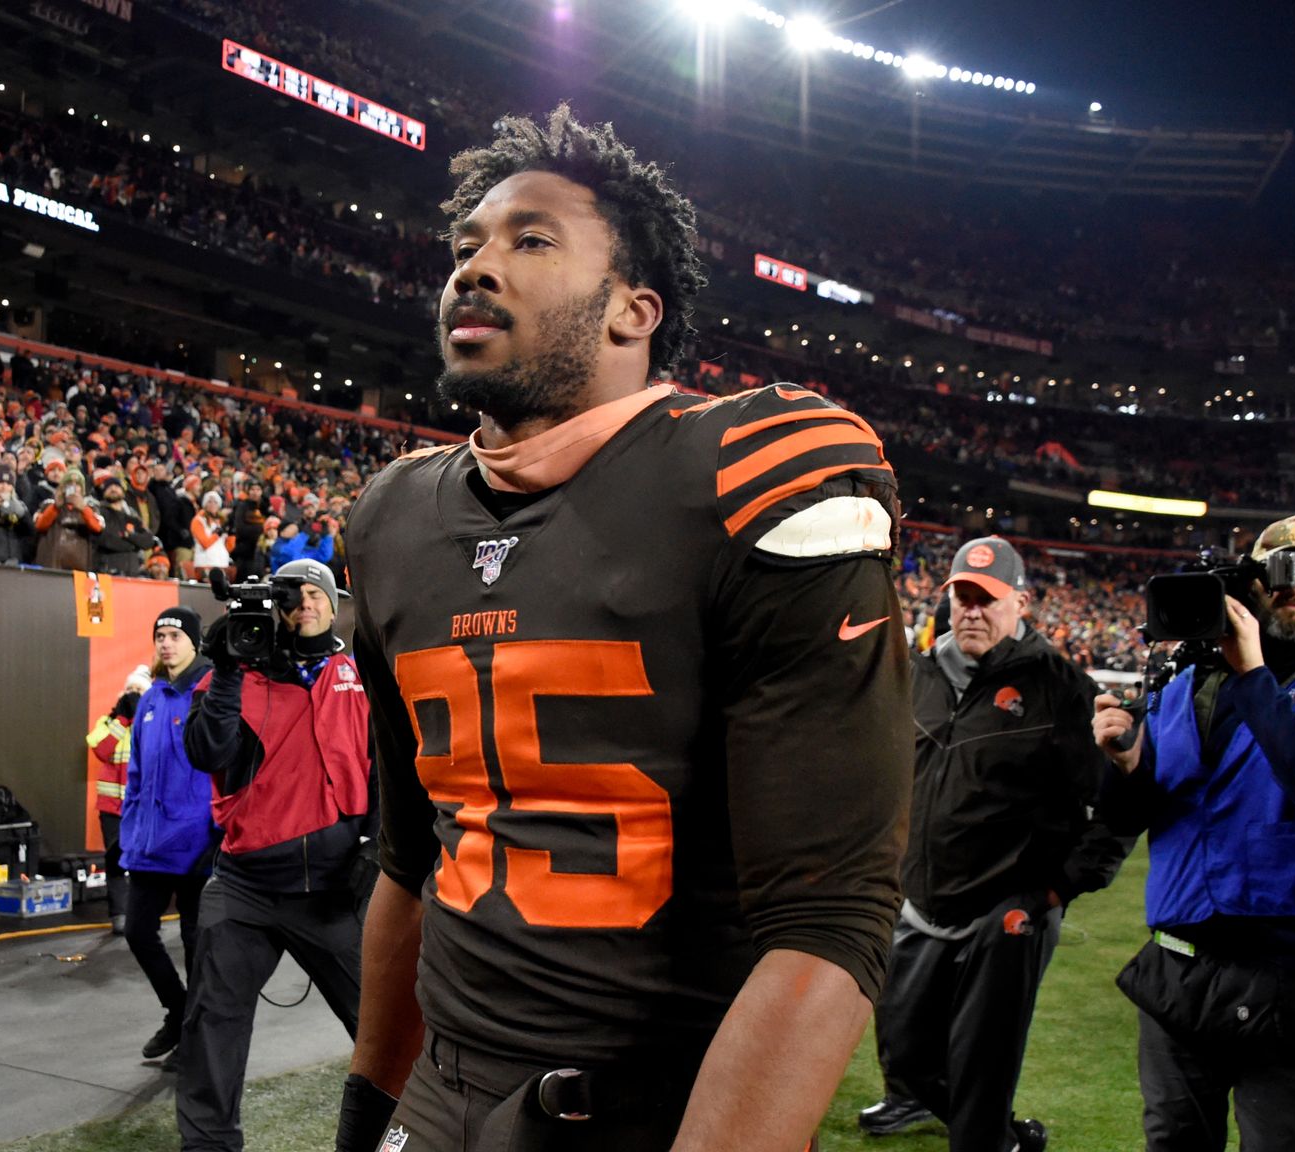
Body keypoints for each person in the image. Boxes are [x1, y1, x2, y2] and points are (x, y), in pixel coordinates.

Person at [337, 106, 909, 1152]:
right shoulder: (388, 517)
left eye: (530, 241)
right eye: (465, 246)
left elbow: (829, 922)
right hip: (439, 1099)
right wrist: (367, 1107)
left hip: (651, 1113)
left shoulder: (751, 469)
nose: (473, 267)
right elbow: (410, 861)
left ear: (631, 311)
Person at [1091, 514, 1295, 1152]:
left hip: (1291, 975)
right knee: (1172, 1139)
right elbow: (1131, 815)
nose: (1294, 586)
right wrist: (1122, 765)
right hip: (1177, 962)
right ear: (1249, 585)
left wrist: (1252, 674)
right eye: (1277, 571)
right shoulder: (1185, 684)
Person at [864, 538, 1119, 1152]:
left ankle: (986, 1137)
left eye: (989, 599)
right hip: (920, 901)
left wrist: (1060, 887)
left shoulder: (1063, 688)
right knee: (906, 1055)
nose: (973, 611)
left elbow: (1115, 802)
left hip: (1006, 910)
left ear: (1022, 602)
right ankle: (1004, 1140)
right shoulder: (917, 674)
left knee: (982, 1066)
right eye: (963, 597)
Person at [175, 559, 373, 1151]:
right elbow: (207, 752)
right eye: (294, 596)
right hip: (246, 887)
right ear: (276, 608)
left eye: (317, 594)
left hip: (336, 890)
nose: (306, 603)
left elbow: (389, 768)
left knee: (385, 1026)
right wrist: (229, 669)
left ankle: (406, 1135)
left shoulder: (357, 675)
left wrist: (379, 852)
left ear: (335, 605)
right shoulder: (231, 677)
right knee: (211, 1024)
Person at [116, 606, 219, 1067]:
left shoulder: (211, 692)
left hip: (199, 843)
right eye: (160, 634)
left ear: (194, 642)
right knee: (138, 932)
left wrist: (219, 833)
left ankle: (195, 1039)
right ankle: (178, 1012)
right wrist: (131, 830)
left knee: (198, 946)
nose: (166, 642)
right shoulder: (153, 698)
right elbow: (136, 774)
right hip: (151, 845)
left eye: (176, 634)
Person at [88, 664, 154, 934]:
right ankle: (118, 914)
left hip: (142, 807)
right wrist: (122, 720)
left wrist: (140, 718)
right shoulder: (108, 722)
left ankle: (145, 912)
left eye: (139, 690)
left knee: (145, 861)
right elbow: (102, 750)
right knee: (115, 859)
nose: (133, 695)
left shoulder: (153, 723)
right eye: (130, 690)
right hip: (112, 808)